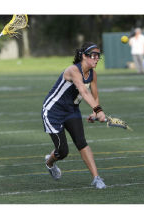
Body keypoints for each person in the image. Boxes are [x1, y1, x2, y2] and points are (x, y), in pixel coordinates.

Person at [42, 42, 107, 189]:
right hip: (53, 112)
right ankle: (49, 162)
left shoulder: (92, 74)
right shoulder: (73, 70)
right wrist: (98, 110)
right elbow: (84, 92)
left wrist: (94, 112)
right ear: (83, 56)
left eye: (98, 56)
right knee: (63, 151)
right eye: (93, 56)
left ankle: (96, 178)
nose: (96, 59)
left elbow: (94, 95)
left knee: (81, 142)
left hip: (72, 111)